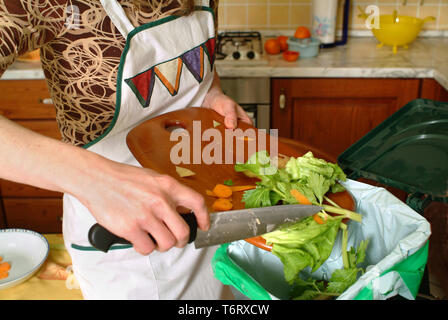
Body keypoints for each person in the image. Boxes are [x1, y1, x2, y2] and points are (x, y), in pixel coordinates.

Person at [0, 0, 252, 299]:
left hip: (210, 208)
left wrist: (211, 94)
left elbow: (198, 63)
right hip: (123, 238)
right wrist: (97, 181)